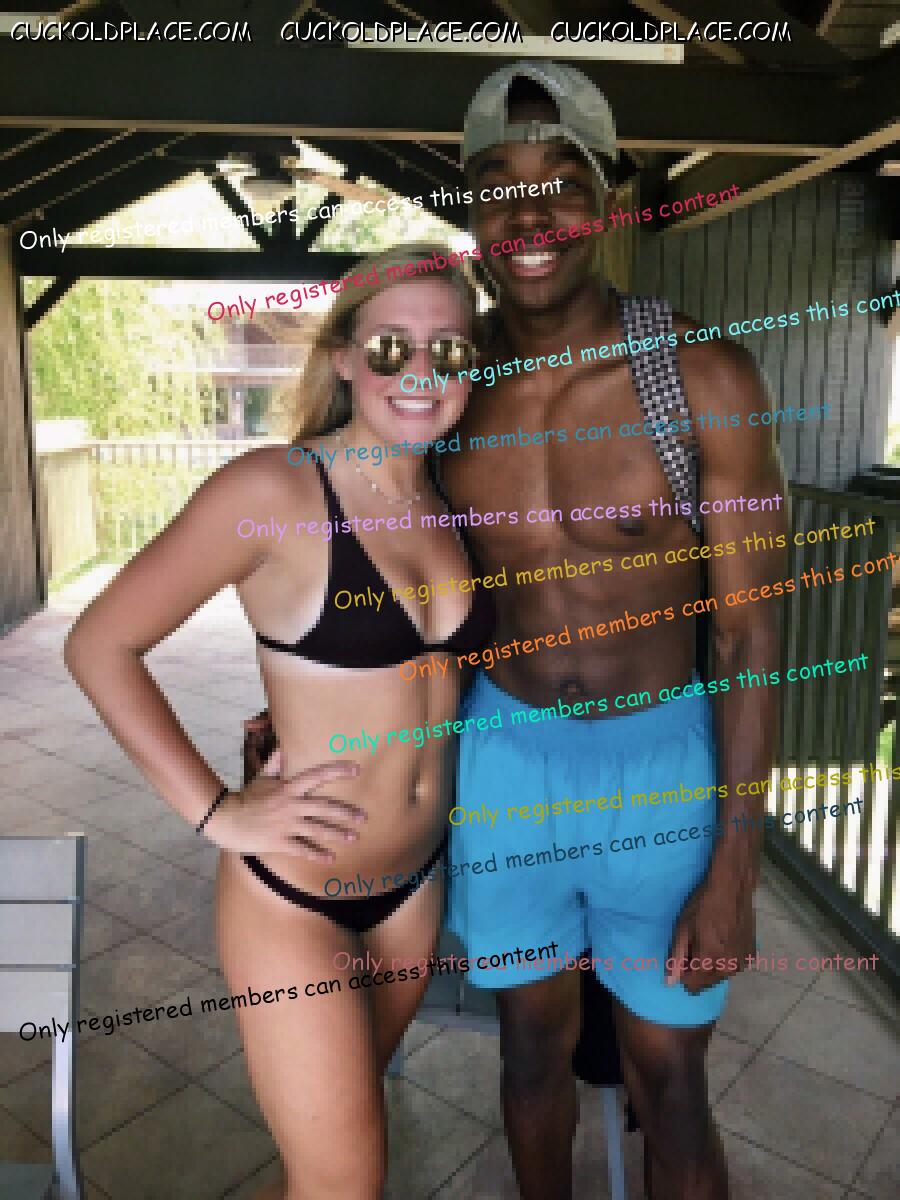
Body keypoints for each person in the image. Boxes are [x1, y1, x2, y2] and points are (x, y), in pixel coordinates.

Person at [63, 245, 492, 1200]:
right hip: (296, 895)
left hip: (414, 887)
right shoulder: (274, 491)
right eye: (391, 346)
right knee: (345, 1183)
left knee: (328, 1168)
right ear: (343, 357)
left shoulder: (442, 495)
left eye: (451, 350)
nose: (421, 372)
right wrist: (216, 811)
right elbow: (100, 644)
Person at [438, 63, 788, 1199]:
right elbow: (377, 552)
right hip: (506, 756)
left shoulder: (701, 376)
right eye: (498, 185)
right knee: (527, 1053)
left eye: (561, 181)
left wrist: (736, 862)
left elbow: (748, 637)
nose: (529, 214)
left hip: (659, 763)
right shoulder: (447, 382)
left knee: (670, 1081)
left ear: (609, 201)